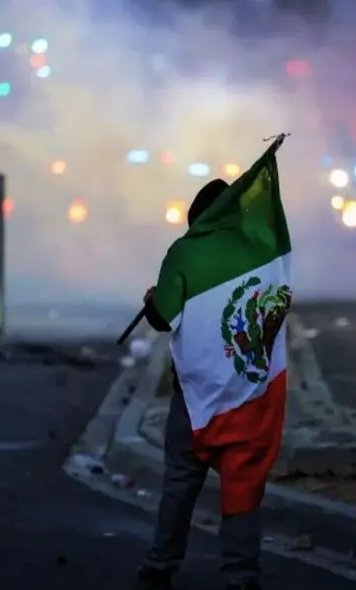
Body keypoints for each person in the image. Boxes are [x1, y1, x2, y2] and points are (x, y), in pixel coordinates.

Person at [136, 178, 263, 590]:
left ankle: (161, 564)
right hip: (244, 394)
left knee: (180, 482)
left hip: (194, 395)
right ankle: (241, 575)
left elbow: (163, 319)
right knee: (241, 486)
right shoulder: (259, 254)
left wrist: (152, 301)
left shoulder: (185, 252)